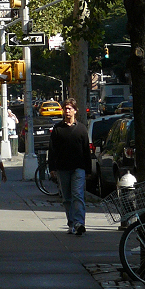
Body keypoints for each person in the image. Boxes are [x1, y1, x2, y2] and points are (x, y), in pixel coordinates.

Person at [48, 97, 92, 236]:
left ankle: (79, 223)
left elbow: (86, 150)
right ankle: (71, 223)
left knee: (77, 195)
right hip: (62, 168)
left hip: (78, 167)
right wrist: (52, 168)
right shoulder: (58, 129)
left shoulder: (81, 129)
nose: (67, 111)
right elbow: (52, 149)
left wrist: (88, 170)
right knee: (67, 198)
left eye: (70, 108)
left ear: (75, 111)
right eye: (65, 108)